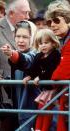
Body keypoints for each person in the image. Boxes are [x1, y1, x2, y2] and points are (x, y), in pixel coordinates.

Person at [0, 0, 31, 130]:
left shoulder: (29, 28)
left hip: (24, 97)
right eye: (25, 13)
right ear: (11, 13)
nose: (28, 16)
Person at [0, 20, 37, 131]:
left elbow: (26, 62)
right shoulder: (17, 53)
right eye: (18, 36)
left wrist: (12, 54)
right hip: (18, 111)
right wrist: (4, 81)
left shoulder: (36, 54)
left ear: (32, 37)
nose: (20, 40)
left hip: (33, 112)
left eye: (25, 37)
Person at [21, 28, 61, 131]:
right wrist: (29, 76)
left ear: (53, 43)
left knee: (48, 111)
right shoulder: (39, 56)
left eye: (46, 43)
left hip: (56, 89)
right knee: (41, 109)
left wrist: (41, 77)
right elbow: (33, 68)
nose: (42, 45)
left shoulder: (55, 54)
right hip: (45, 89)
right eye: (40, 43)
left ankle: (44, 129)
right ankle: (38, 129)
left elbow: (52, 69)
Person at [44, 0, 70, 131]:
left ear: (67, 20)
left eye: (56, 21)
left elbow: (63, 73)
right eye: (50, 22)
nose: (52, 25)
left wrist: (50, 81)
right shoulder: (63, 40)